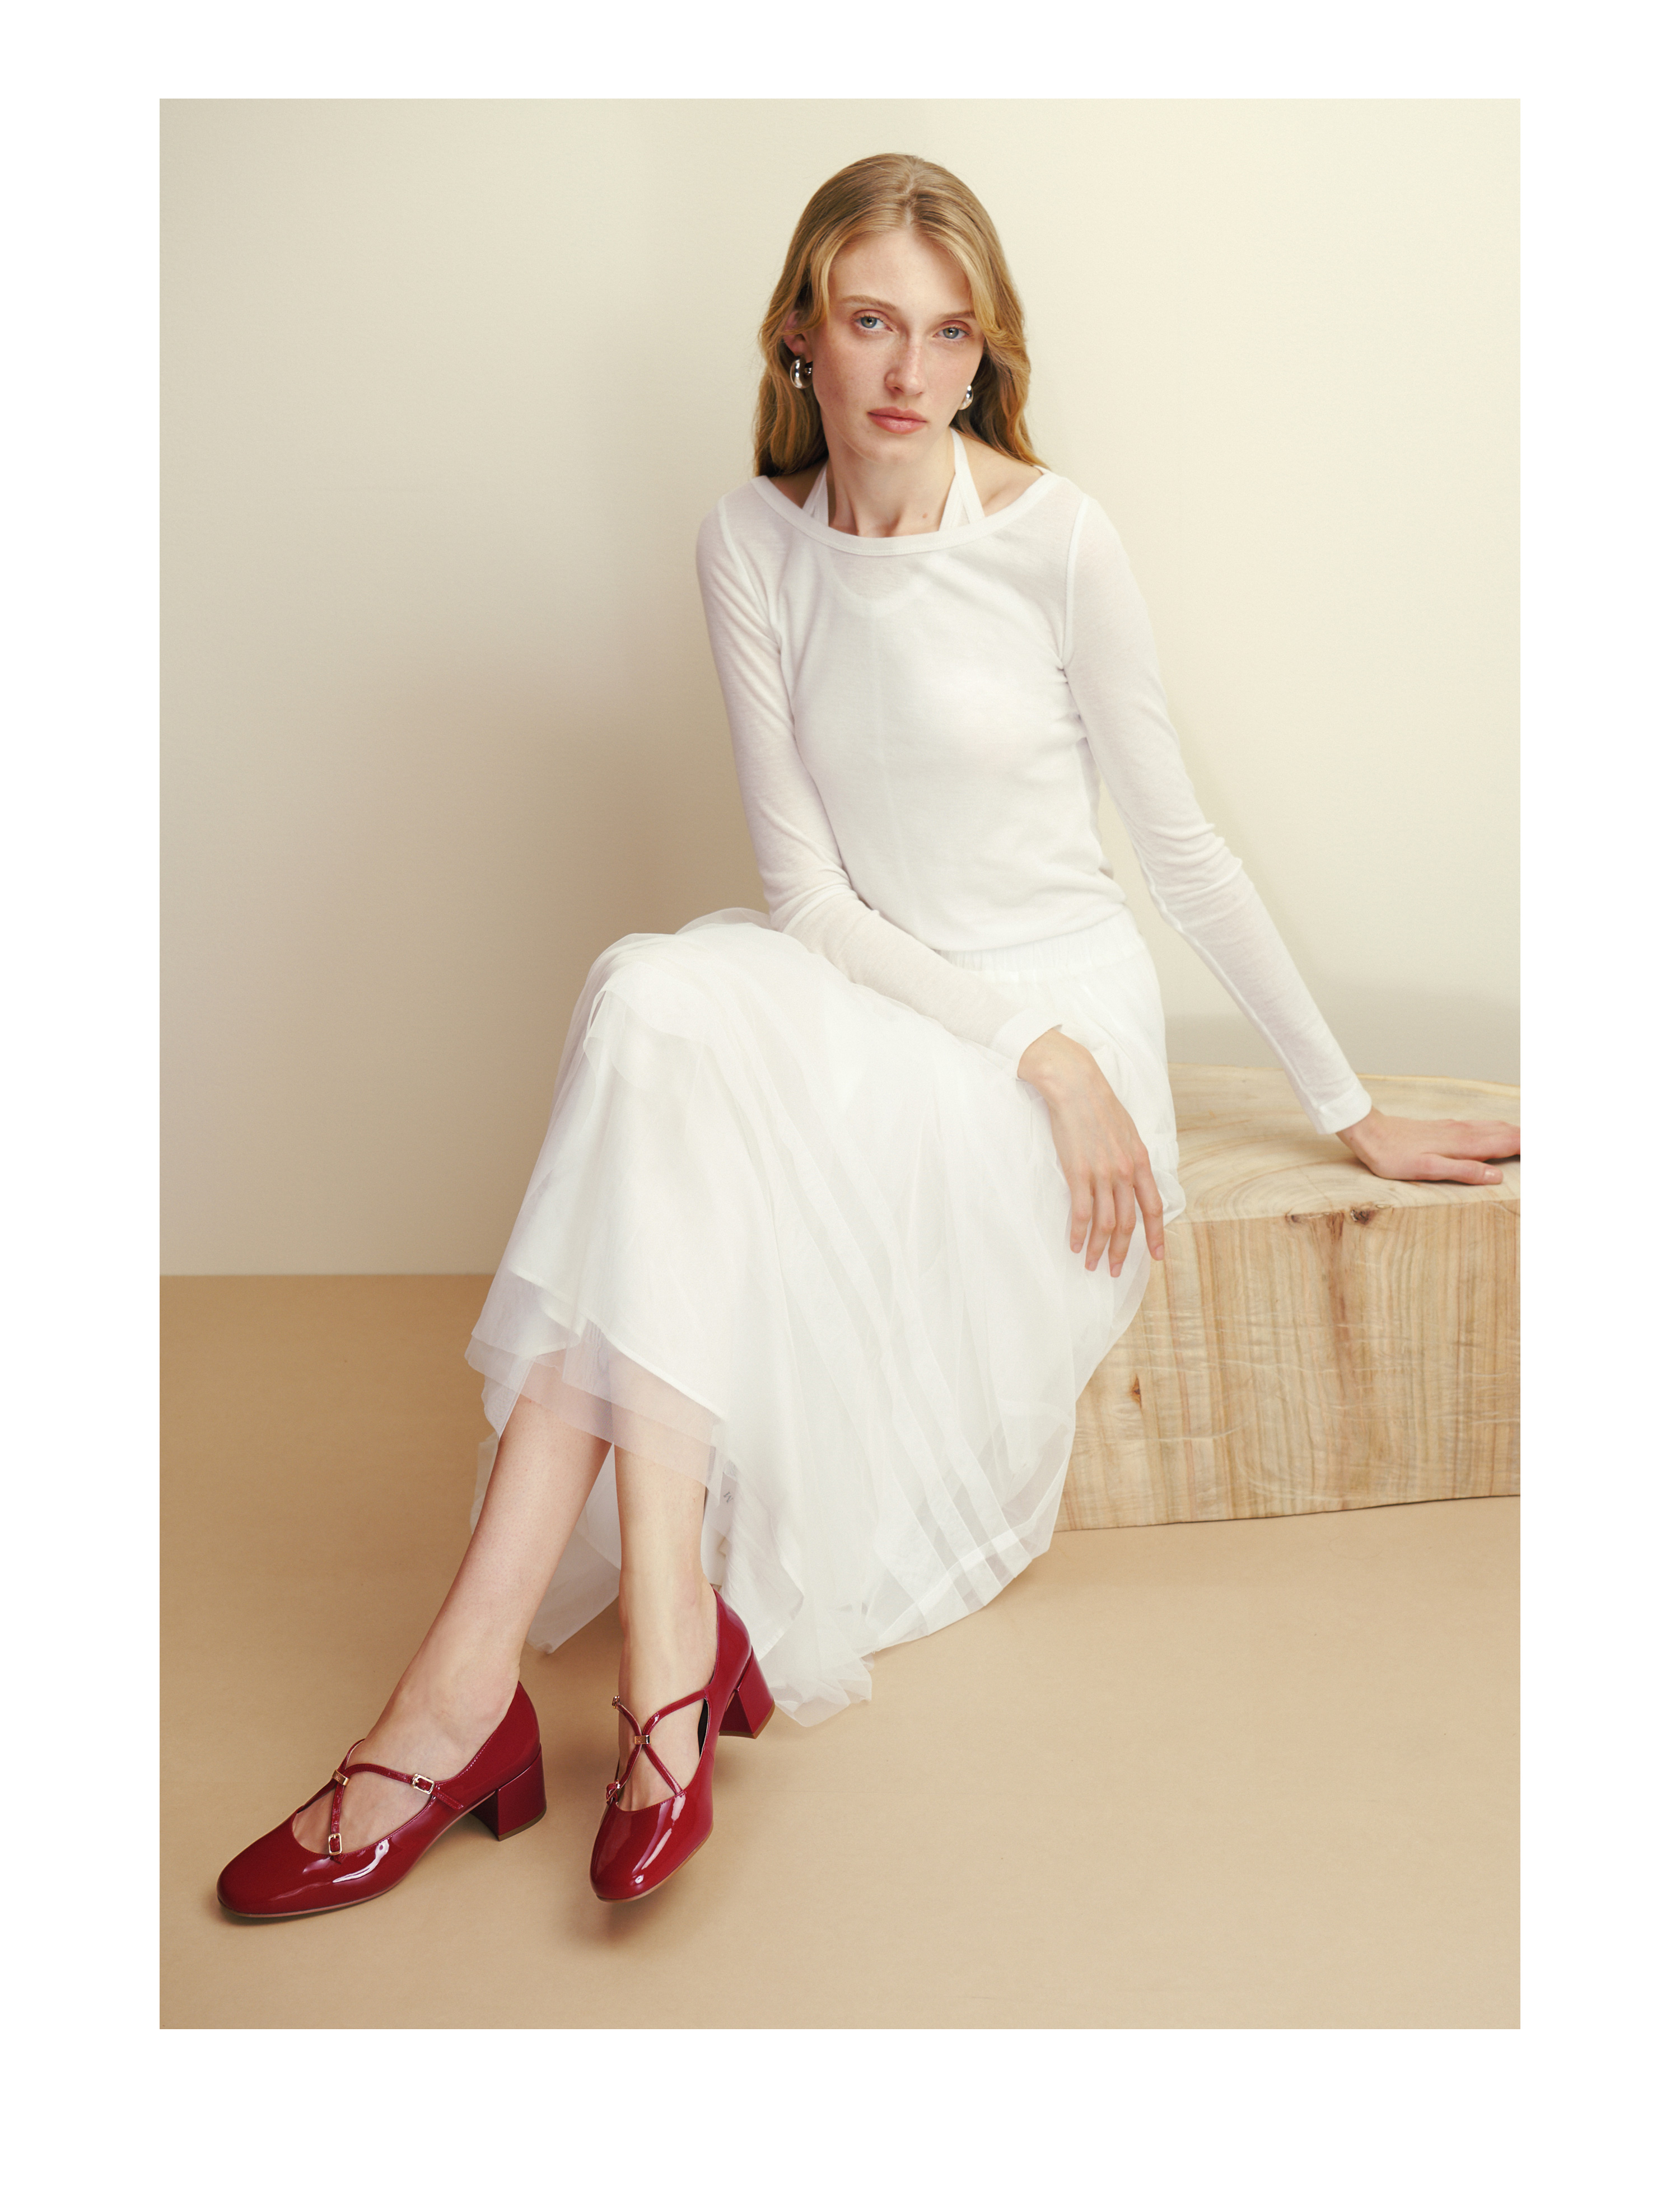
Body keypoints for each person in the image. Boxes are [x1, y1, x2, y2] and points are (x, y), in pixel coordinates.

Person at [216, 153, 1519, 1921]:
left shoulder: (1057, 539)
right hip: (881, 989)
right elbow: (808, 897)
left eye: (951, 334)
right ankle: (635, 1660)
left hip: (1056, 1034)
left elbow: (1183, 852)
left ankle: (464, 1703)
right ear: (800, 337)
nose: (912, 372)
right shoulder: (748, 542)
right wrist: (1020, 1042)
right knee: (651, 994)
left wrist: (1341, 1105)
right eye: (873, 323)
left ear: (989, 353)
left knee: (661, 1063)